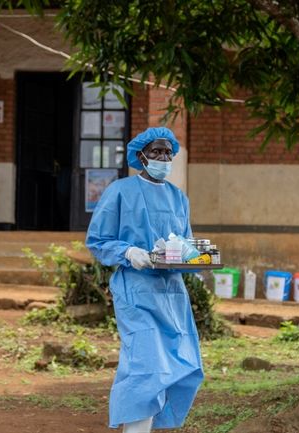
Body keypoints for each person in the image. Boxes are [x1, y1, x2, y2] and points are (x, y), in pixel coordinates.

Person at [86, 127, 203, 432]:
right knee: (146, 364)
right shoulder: (120, 191)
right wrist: (128, 252)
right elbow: (98, 240)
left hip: (172, 295)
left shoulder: (179, 198)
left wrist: (197, 256)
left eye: (168, 153)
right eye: (156, 152)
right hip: (136, 290)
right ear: (140, 156)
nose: (163, 158)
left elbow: (185, 243)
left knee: (179, 364)